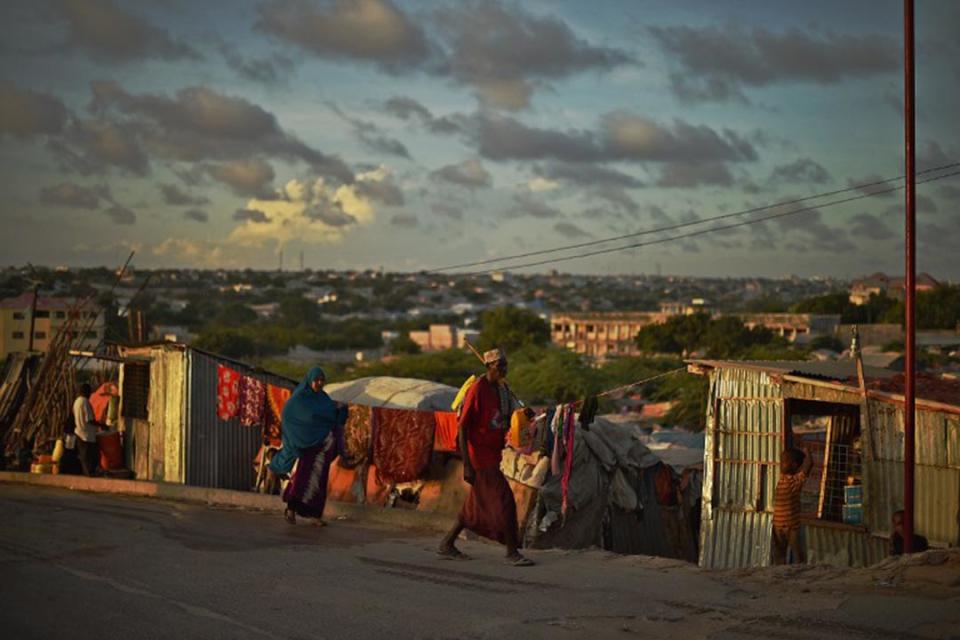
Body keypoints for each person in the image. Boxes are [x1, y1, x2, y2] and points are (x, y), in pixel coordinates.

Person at [438, 349, 534, 566]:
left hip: (493, 454)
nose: (504, 370)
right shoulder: (477, 389)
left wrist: (526, 415)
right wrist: (467, 465)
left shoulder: (500, 390)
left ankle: (447, 543)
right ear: (489, 366)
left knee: (473, 505)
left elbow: (509, 416)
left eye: (506, 365)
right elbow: (463, 427)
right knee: (506, 501)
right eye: (500, 366)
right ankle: (512, 552)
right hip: (480, 457)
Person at [268, 366, 347, 526]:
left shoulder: (324, 399)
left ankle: (315, 516)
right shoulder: (298, 400)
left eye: (322, 380)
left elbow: (333, 417)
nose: (319, 383)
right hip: (308, 449)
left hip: (323, 450)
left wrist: (341, 409)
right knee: (302, 481)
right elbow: (290, 417)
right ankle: (291, 510)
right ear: (309, 380)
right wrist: (298, 437)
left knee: (319, 484)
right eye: (316, 380)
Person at [772, 446, 812, 564]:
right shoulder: (783, 478)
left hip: (791, 527)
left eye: (784, 462)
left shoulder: (796, 482)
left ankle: (799, 571)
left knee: (798, 553)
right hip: (778, 526)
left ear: (794, 465)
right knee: (779, 553)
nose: (781, 464)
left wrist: (807, 453)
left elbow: (808, 466)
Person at [72, 383, 104, 476]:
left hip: (79, 432)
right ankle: (91, 473)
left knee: (84, 458)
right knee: (91, 457)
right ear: (87, 392)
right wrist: (101, 425)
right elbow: (89, 420)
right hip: (86, 435)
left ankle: (88, 474)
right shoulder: (85, 402)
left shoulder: (76, 401)